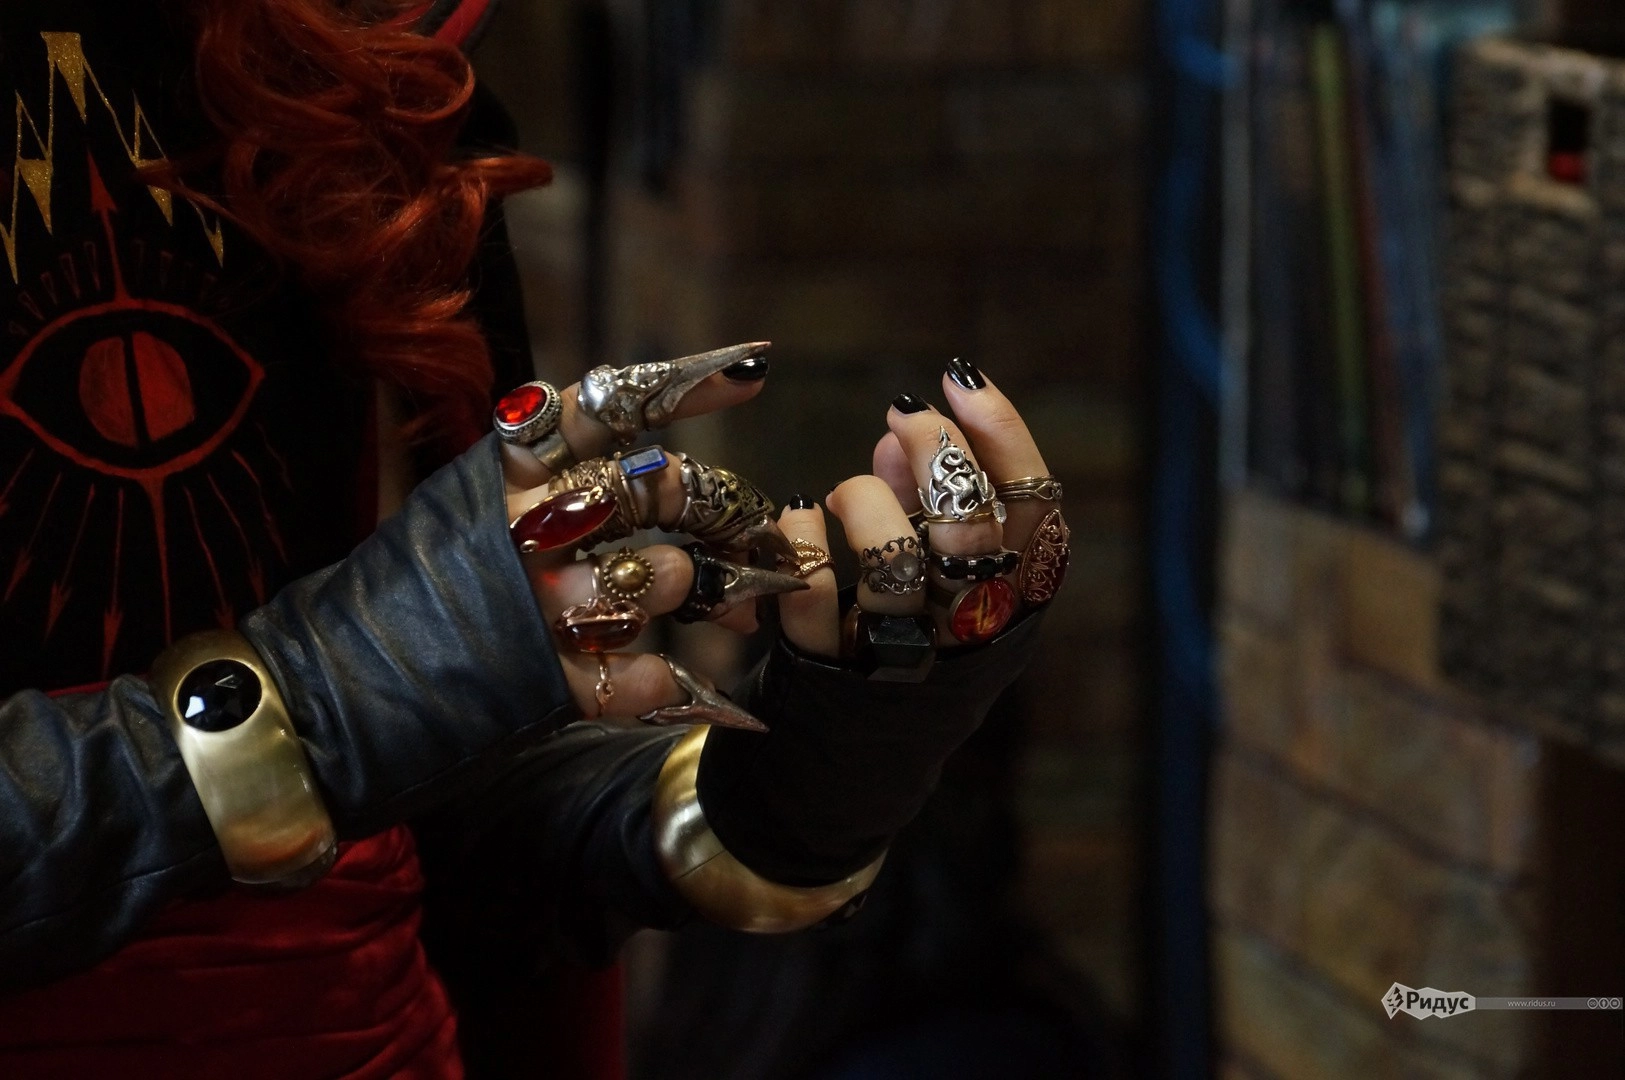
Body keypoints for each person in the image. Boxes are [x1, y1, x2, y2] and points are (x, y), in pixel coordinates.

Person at [0, 1, 1066, 1077]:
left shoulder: (353, 63)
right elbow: (342, 728)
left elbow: (435, 839)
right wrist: (318, 703)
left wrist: (774, 795)